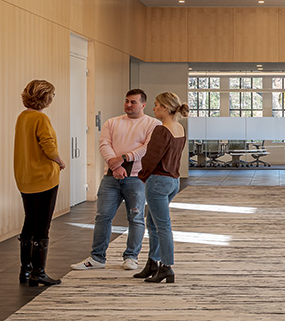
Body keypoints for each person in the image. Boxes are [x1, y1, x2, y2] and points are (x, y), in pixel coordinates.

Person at [71, 89, 160, 271]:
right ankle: (97, 258)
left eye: (133, 102)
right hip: (111, 178)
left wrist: (124, 158)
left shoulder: (153, 124)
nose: (128, 105)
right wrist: (115, 166)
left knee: (135, 218)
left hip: (137, 178)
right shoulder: (112, 122)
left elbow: (147, 148)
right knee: (102, 217)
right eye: (126, 101)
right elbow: (104, 145)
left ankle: (131, 257)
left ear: (143, 105)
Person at [14, 80, 65, 286]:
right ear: (45, 97)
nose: (52, 98)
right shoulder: (40, 118)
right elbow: (48, 146)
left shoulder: (22, 117)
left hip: (25, 178)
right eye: (51, 95)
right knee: (42, 225)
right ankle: (39, 272)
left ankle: (25, 270)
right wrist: (60, 161)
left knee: (29, 222)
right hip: (44, 178)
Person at [134, 92, 188, 284]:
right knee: (153, 223)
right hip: (173, 181)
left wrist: (141, 176)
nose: (153, 108)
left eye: (156, 105)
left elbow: (150, 159)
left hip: (158, 181)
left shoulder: (161, 130)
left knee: (163, 226)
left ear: (165, 108)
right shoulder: (179, 128)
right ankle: (152, 263)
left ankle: (166, 266)